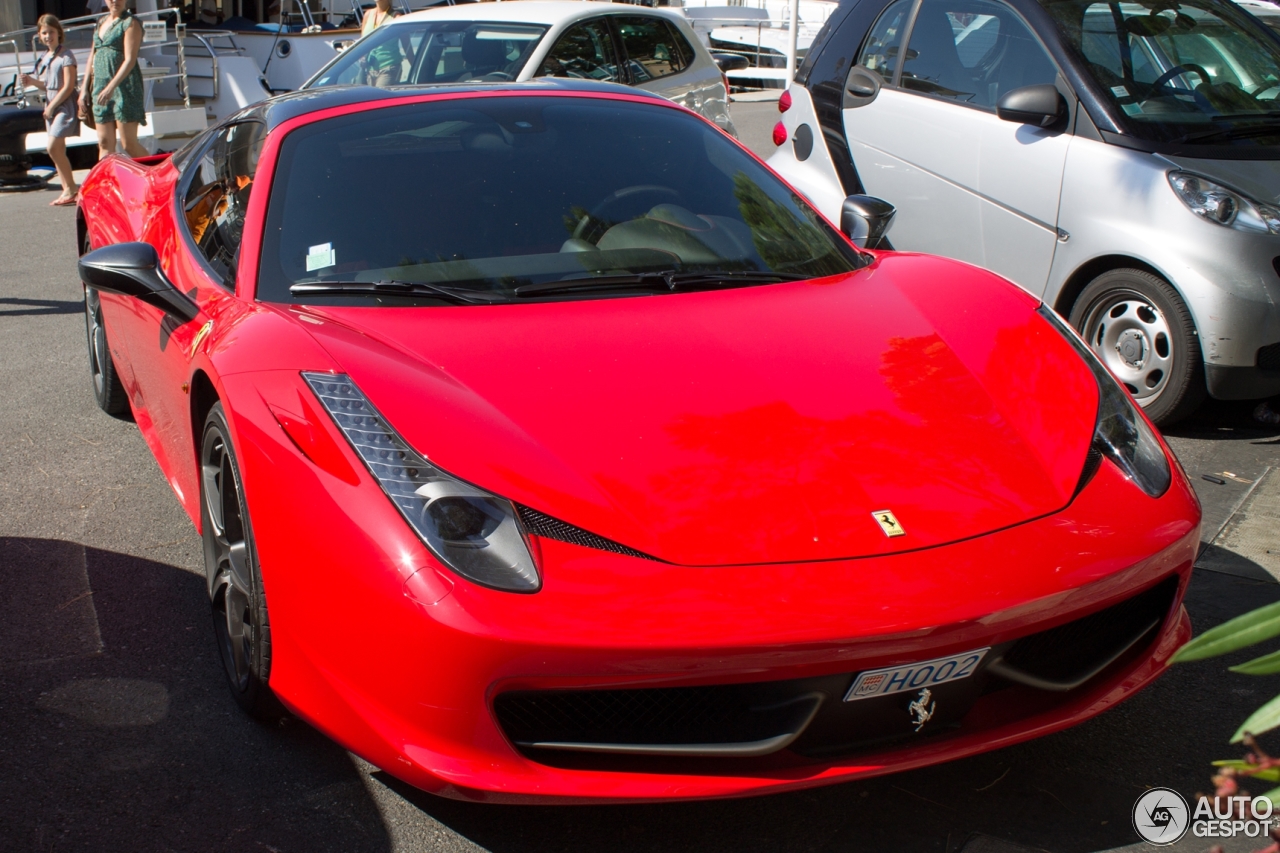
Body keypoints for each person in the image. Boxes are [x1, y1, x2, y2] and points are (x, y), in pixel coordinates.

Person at [21, 14, 79, 206]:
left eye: (51, 32)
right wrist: (31, 82)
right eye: (44, 33)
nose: (48, 36)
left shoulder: (66, 55)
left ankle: (71, 187)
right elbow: (48, 86)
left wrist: (53, 106)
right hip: (52, 104)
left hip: (63, 105)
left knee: (52, 147)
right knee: (57, 150)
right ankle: (67, 190)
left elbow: (68, 86)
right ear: (39, 35)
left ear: (58, 33)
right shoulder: (46, 57)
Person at [79, 0, 147, 160]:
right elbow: (92, 56)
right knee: (104, 143)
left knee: (128, 144)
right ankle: (109, 182)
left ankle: (156, 175)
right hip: (99, 87)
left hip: (124, 88)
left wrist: (111, 88)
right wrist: (84, 89)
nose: (115, 1)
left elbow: (130, 60)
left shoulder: (130, 23)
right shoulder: (101, 22)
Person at [361, 0, 400, 87]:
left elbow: (406, 44)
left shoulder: (396, 17)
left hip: (388, 67)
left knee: (378, 97)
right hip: (369, 69)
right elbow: (362, 43)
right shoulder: (367, 15)